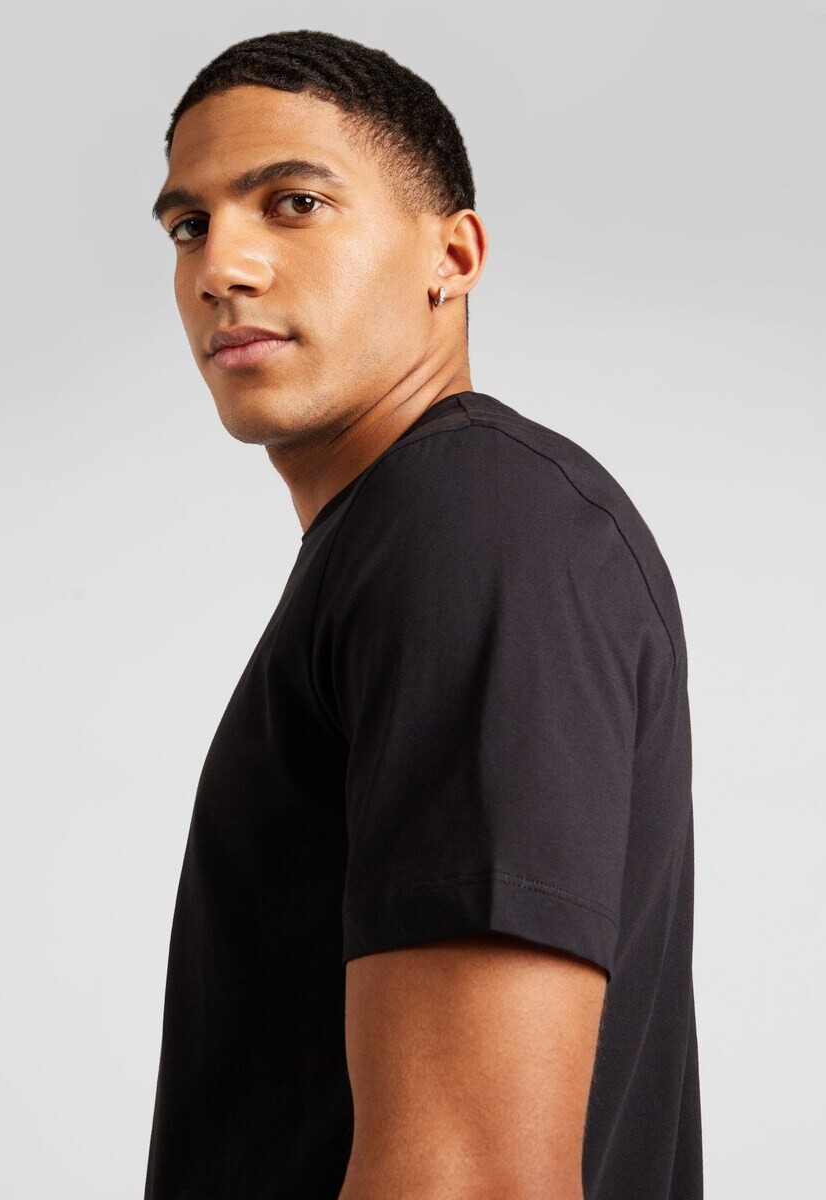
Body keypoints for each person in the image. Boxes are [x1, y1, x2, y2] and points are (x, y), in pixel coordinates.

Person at [143, 28, 703, 1200]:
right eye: (189, 224)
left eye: (293, 203)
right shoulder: (406, 536)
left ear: (452, 255)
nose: (220, 267)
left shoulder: (475, 517)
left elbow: (473, 1177)